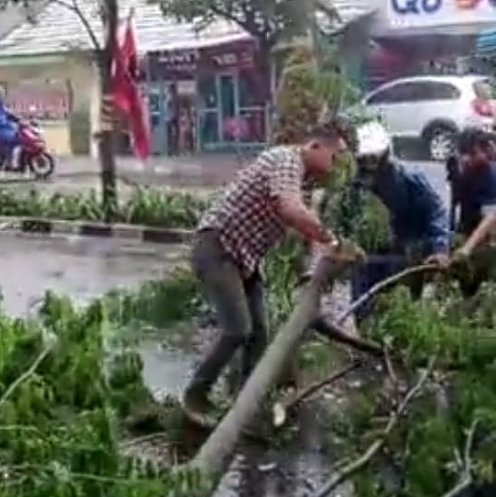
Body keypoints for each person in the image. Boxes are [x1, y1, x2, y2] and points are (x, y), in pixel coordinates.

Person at [182, 125, 352, 426]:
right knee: (238, 330)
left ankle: (245, 402)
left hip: (244, 260)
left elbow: (307, 224)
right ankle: (195, 396)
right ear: (314, 146)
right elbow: (290, 210)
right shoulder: (287, 160)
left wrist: (317, 264)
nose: (335, 164)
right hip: (218, 247)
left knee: (259, 331)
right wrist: (332, 240)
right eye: (334, 155)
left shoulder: (304, 180)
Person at [346, 121, 450, 318]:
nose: (370, 166)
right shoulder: (354, 186)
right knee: (364, 309)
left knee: (401, 312)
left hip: (406, 255)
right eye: (364, 160)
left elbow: (436, 212)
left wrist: (440, 249)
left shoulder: (410, 179)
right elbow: (345, 220)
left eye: (373, 159)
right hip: (368, 259)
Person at [448, 127, 496, 297]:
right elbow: (456, 201)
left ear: (486, 150)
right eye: (464, 153)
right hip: (467, 224)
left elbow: (491, 217)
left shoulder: (488, 173)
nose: (467, 158)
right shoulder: (456, 164)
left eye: (473, 153)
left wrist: (467, 248)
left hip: (486, 233)